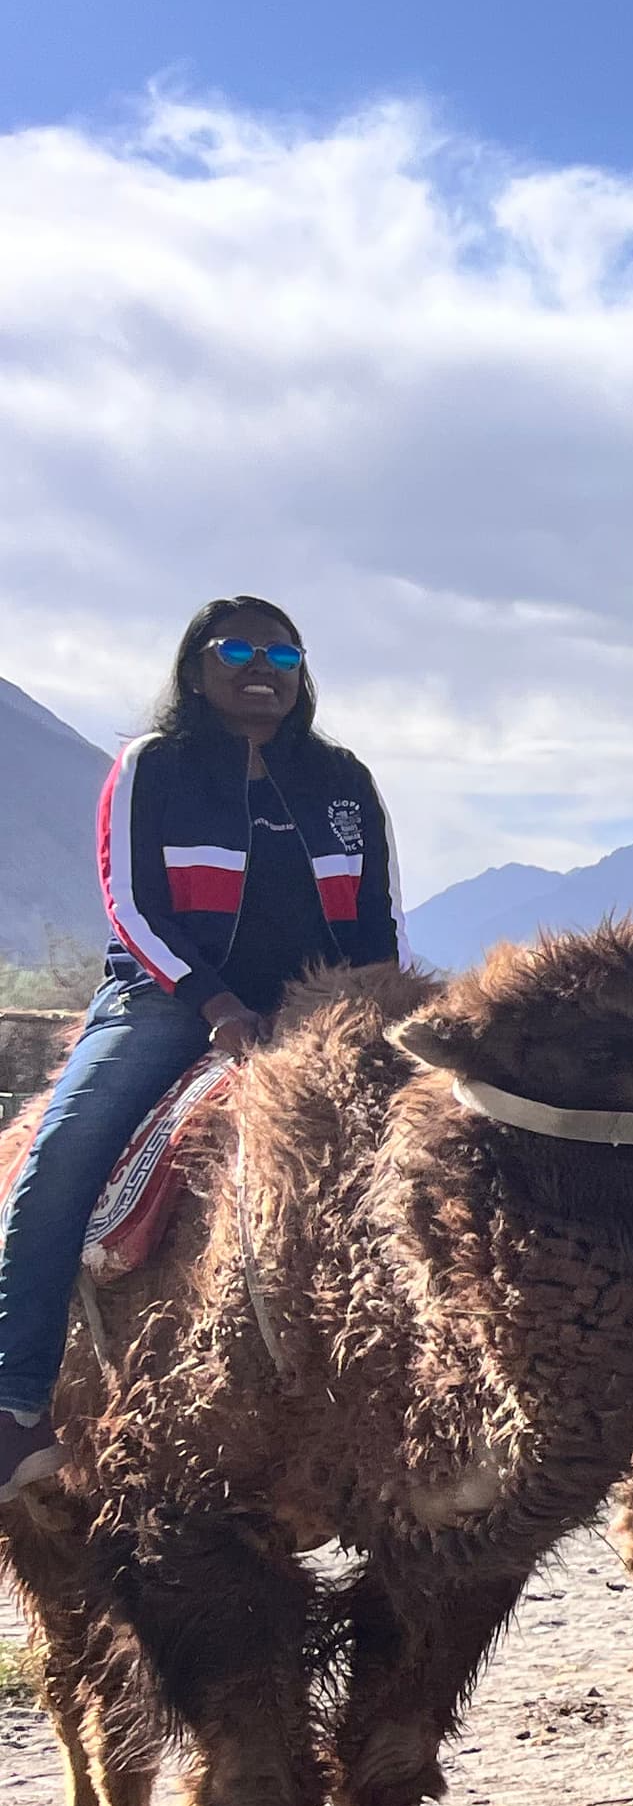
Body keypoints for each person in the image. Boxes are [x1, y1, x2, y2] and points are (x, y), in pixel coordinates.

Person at [0, 598, 403, 1495]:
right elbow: (133, 904)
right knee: (63, 1154)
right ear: (196, 668)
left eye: (281, 652)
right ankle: (16, 1400)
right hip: (170, 1000)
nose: (261, 666)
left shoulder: (343, 780)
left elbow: (377, 914)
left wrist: (379, 1008)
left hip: (320, 1002)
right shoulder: (157, 765)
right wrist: (215, 1003)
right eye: (237, 649)